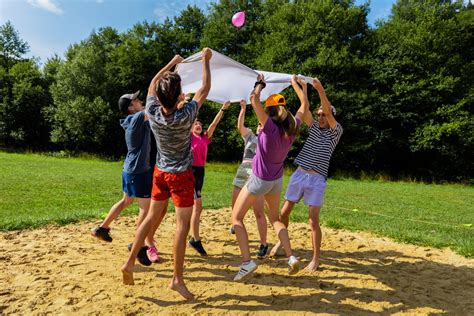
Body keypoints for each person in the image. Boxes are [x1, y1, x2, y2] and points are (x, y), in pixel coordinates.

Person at [121, 48, 212, 301]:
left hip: (160, 173)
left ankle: (129, 263)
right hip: (181, 175)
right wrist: (206, 60)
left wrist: (172, 62)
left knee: (150, 218)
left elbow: (153, 83)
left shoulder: (151, 109)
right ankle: (176, 280)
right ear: (178, 96)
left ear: (160, 97)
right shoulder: (186, 115)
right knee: (182, 227)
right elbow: (205, 89)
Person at [231, 74, 308, 281]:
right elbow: (304, 105)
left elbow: (254, 99)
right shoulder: (292, 127)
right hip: (276, 181)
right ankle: (291, 257)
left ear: (269, 111)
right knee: (275, 219)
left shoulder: (269, 127)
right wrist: (298, 86)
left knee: (236, 218)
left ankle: (247, 262)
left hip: (259, 180)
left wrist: (259, 84)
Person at [269, 78, 343, 272]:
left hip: (317, 179)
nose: (320, 117)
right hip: (299, 174)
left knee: (312, 220)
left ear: (331, 116)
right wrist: (299, 86)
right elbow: (305, 106)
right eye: (319, 115)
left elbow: (325, 108)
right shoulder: (313, 128)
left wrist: (320, 89)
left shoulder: (336, 132)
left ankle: (315, 259)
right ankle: (281, 243)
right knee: (283, 213)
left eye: (324, 115)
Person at [91, 90, 157, 265]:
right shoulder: (135, 118)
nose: (140, 101)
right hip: (138, 171)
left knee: (126, 201)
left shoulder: (133, 121)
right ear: (130, 107)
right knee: (146, 209)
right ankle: (139, 246)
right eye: (136, 100)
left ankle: (102, 229)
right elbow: (153, 104)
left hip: (130, 169)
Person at [189, 101, 231, 256]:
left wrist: (222, 109)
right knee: (197, 207)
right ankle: (195, 239)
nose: (198, 125)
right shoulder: (189, 137)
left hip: (200, 172)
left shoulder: (205, 138)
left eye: (200, 124)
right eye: (195, 124)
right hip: (191, 171)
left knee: (195, 207)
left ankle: (193, 236)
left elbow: (214, 123)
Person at [230, 99, 268, 259]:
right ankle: (235, 223)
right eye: (258, 124)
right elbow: (240, 126)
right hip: (242, 171)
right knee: (234, 204)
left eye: (262, 124)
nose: (260, 126)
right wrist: (243, 109)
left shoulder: (270, 139)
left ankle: (263, 244)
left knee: (258, 212)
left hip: (257, 173)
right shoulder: (251, 136)